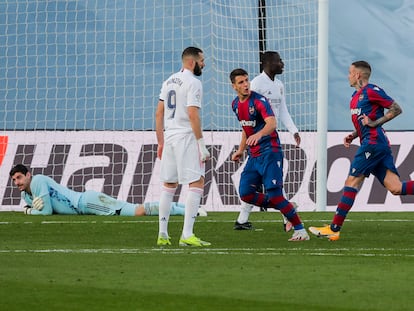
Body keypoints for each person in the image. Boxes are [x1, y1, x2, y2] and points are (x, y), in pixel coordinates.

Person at [309, 60, 414, 241]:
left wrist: (374, 123)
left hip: (373, 144)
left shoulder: (372, 91)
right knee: (396, 188)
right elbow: (365, 123)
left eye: (350, 72)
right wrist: (354, 134)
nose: (348, 76)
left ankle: (334, 228)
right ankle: (334, 229)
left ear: (358, 75)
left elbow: (396, 109)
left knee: (352, 181)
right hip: (373, 144)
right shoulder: (355, 96)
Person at [229, 68, 309, 241]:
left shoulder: (259, 101)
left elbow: (271, 123)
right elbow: (246, 129)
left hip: (270, 152)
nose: (246, 85)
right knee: (246, 193)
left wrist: (259, 135)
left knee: (275, 195)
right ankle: (288, 207)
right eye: (241, 82)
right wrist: (241, 150)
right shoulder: (235, 104)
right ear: (233, 86)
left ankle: (301, 230)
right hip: (253, 156)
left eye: (247, 80)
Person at [155, 46, 211, 247]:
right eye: (202, 60)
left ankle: (163, 234)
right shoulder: (194, 82)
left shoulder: (168, 81)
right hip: (186, 137)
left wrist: (160, 141)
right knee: (196, 182)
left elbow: (159, 114)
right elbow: (193, 114)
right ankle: (187, 234)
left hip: (169, 136)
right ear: (192, 62)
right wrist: (201, 144)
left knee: (169, 185)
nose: (204, 64)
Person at [9, 164, 198, 217]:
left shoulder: (38, 181)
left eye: (19, 177)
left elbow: (46, 211)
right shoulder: (26, 193)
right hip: (86, 204)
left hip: (87, 202)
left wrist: (29, 211)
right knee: (135, 209)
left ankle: (187, 210)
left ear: (28, 175)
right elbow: (40, 209)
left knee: (136, 211)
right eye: (14, 180)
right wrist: (31, 209)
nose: (17, 182)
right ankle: (183, 207)